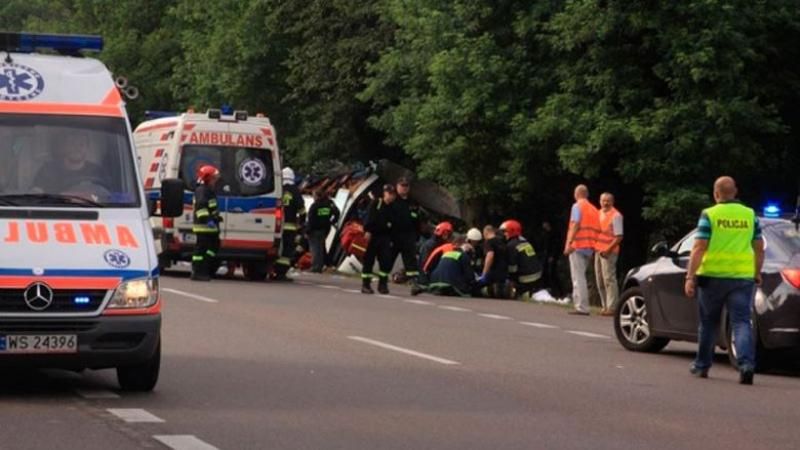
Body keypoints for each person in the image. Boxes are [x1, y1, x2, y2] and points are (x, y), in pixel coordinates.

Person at [684, 176, 763, 385]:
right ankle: (746, 365)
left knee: (708, 323)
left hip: (713, 277)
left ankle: (702, 366)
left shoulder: (710, 214)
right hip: (742, 278)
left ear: (716, 194)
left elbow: (699, 246)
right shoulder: (750, 215)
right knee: (741, 322)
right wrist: (757, 272)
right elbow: (758, 247)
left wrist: (690, 276)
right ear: (735, 192)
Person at [564, 184, 600, 315]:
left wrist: (569, 242)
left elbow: (576, 224)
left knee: (578, 277)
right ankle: (582, 305)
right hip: (590, 246)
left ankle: (581, 307)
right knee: (582, 276)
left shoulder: (577, 206)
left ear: (577, 194)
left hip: (577, 245)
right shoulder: (594, 209)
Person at [34, 132, 105, 193]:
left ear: (87, 148)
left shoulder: (97, 172)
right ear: (64, 147)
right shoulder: (48, 170)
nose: (76, 148)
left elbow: (108, 196)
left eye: (81, 144)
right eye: (72, 143)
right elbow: (35, 194)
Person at [362, 184, 397, 294]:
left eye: (393, 194)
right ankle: (366, 285)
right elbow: (369, 217)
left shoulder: (392, 207)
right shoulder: (377, 203)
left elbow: (394, 223)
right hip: (373, 235)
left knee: (385, 261)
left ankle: (382, 285)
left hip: (385, 237)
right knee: (369, 260)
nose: (391, 196)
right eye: (389, 193)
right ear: (385, 193)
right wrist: (368, 230)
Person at [191, 165, 222, 281]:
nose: (216, 181)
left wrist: (216, 218)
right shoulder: (202, 190)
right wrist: (208, 219)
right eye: (214, 178)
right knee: (201, 250)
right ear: (207, 178)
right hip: (203, 227)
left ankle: (206, 269)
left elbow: (210, 206)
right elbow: (201, 207)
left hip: (210, 227)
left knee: (213, 247)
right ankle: (198, 272)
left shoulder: (208, 190)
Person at [594, 193, 624, 316]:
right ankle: (604, 306)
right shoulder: (598, 213)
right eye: (603, 200)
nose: (605, 203)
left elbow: (619, 237)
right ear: (600, 201)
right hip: (598, 250)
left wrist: (608, 250)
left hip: (609, 252)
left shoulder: (616, 216)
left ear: (612, 202)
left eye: (608, 201)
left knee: (609, 279)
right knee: (600, 280)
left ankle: (612, 307)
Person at [275, 167, 306, 280]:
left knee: (276, 248)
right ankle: (281, 273)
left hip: (275, 226)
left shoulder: (278, 189)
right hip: (290, 227)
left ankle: (272, 269)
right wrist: (302, 224)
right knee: (286, 251)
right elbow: (302, 210)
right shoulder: (295, 191)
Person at [501, 220, 543, 300]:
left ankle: (522, 293)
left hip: (526, 278)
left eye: (505, 232)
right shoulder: (524, 241)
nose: (504, 234)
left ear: (511, 231)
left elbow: (512, 268)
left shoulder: (511, 245)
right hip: (538, 274)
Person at [391, 177, 422, 283]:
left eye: (406, 186)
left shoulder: (413, 202)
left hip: (408, 236)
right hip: (394, 235)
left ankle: (412, 279)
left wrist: (416, 235)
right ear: (397, 187)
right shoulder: (392, 200)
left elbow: (417, 220)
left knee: (410, 259)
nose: (404, 188)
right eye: (402, 186)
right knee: (389, 257)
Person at [306, 189, 340, 273]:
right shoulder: (329, 203)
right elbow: (337, 213)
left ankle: (316, 267)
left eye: (313, 195)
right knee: (321, 248)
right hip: (325, 229)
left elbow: (311, 220)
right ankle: (322, 265)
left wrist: (307, 231)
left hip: (315, 230)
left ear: (317, 196)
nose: (313, 197)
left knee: (315, 249)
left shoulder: (315, 205)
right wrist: (332, 222)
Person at [478, 225, 510, 299]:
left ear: (485, 232)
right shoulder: (501, 241)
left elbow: (490, 256)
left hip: (493, 272)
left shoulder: (489, 242)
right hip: (503, 271)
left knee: (477, 287)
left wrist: (484, 273)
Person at [538, 221, 562, 297]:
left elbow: (555, 246)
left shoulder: (553, 235)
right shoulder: (545, 234)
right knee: (545, 272)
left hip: (551, 256)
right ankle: (547, 288)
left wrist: (552, 256)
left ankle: (558, 291)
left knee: (552, 273)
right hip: (545, 256)